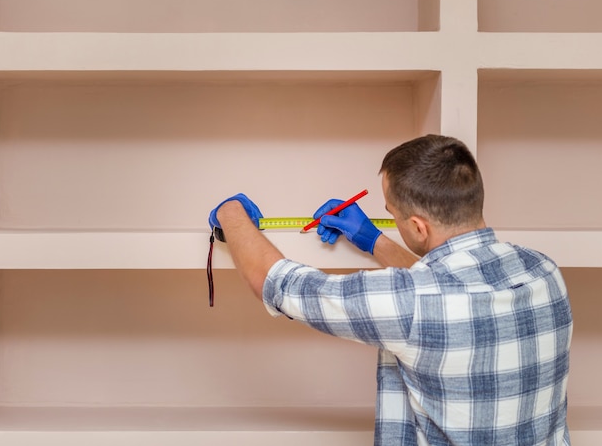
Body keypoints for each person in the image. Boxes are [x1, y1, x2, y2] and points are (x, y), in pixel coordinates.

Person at [209, 134, 573, 445]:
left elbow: (274, 282)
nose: (391, 219)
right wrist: (374, 241)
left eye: (392, 213)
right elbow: (449, 284)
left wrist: (231, 213)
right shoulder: (544, 271)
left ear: (417, 227)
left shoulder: (409, 300)